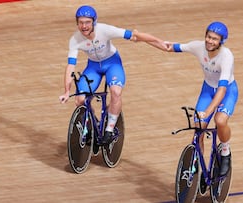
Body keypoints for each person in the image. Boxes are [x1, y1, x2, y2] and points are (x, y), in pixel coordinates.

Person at [59, 5, 167, 144]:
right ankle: (94, 122)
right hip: (93, 67)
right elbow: (70, 66)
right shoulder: (75, 40)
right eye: (80, 22)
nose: (84, 26)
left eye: (87, 22)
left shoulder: (105, 30)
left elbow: (135, 35)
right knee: (80, 100)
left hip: (112, 64)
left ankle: (109, 129)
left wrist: (159, 42)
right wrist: (67, 91)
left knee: (115, 92)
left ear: (94, 22)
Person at [153, 21, 238, 192]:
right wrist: (145, 39)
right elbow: (170, 47)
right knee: (199, 127)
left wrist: (208, 111)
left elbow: (221, 91)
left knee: (220, 120)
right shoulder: (198, 46)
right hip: (207, 90)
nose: (210, 41)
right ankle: (198, 169)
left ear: (221, 42)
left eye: (214, 39)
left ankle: (226, 149)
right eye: (208, 36)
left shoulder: (226, 56)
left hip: (226, 91)